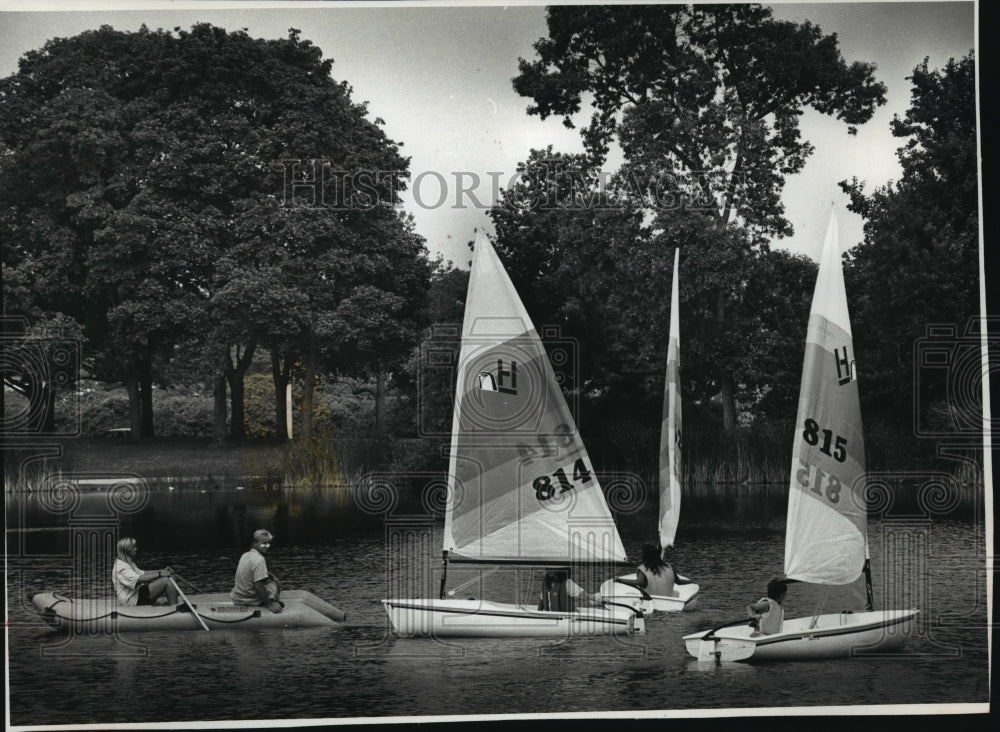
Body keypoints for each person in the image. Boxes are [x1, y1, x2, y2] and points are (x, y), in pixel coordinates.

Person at [112, 537, 179, 607]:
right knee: (167, 581)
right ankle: (174, 609)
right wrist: (160, 574)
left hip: (136, 594)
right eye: (133, 548)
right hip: (130, 600)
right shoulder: (120, 567)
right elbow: (139, 579)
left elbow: (142, 573)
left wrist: (162, 571)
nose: (136, 549)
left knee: (171, 577)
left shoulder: (128, 562)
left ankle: (173, 603)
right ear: (127, 550)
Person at [231, 529, 283, 613]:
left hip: (237, 599)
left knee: (270, 579)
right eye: (263, 543)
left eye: (268, 543)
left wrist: (270, 575)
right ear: (254, 543)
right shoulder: (260, 560)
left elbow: (250, 572)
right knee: (274, 584)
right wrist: (268, 604)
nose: (267, 546)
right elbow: (258, 586)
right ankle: (274, 602)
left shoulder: (245, 555)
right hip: (250, 601)